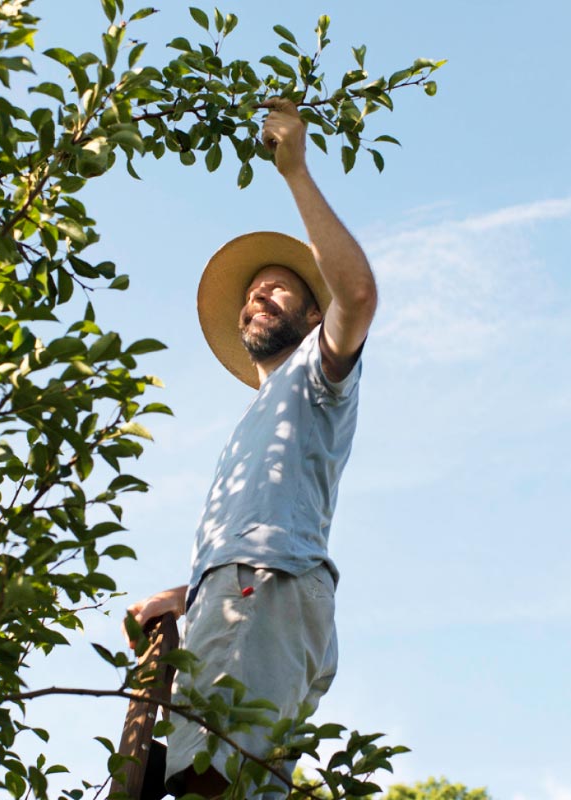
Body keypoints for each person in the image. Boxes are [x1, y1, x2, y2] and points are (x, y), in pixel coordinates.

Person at [125, 97, 377, 797]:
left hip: (262, 588)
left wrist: (294, 171)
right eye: (255, 291)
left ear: (313, 317)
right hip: (245, 589)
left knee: (200, 780)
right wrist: (188, 593)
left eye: (282, 290)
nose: (261, 295)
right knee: (231, 784)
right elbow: (265, 521)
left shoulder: (316, 380)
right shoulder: (259, 421)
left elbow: (355, 292)